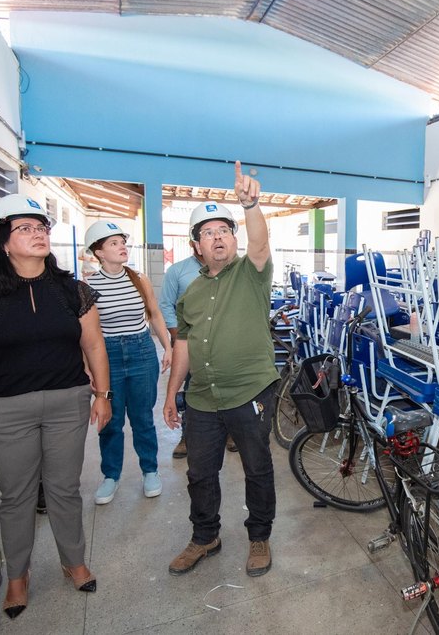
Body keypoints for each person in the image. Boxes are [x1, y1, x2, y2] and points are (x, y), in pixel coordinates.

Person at [0, 194, 111, 619]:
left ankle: (73, 561)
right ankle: (17, 576)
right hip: (4, 408)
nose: (38, 234)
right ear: (3, 240)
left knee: (64, 490)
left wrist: (102, 395)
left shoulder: (73, 290)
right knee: (16, 496)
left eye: (42, 228)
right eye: (26, 228)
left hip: (66, 404)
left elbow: (93, 343)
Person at [163, 161, 279, 578]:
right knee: (199, 472)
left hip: (250, 392)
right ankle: (205, 535)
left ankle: (259, 536)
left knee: (257, 466)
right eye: (208, 232)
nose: (218, 237)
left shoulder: (251, 274)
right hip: (203, 397)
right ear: (196, 246)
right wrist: (172, 392)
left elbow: (261, 245)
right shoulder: (191, 292)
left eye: (224, 230)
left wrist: (250, 206)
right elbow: (184, 344)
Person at [84, 221, 172, 503]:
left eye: (122, 241)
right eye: (113, 243)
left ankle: (150, 470)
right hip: (106, 355)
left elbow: (155, 314)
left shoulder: (139, 278)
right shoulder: (87, 286)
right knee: (110, 419)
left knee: (143, 417)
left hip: (142, 351)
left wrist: (167, 346)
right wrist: (87, 366)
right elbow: (86, 332)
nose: (122, 246)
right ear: (98, 252)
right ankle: (111, 476)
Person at [158, 232, 204, 459]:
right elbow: (165, 305)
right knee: (192, 389)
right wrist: (177, 336)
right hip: (191, 342)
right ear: (193, 243)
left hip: (221, 343)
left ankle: (229, 433)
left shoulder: (231, 270)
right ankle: (187, 436)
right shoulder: (178, 271)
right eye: (204, 236)